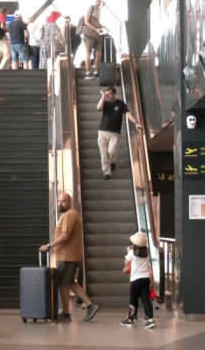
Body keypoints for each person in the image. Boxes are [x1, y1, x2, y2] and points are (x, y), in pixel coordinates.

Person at [39, 193, 99, 323]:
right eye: (59, 201)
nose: (60, 203)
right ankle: (69, 312)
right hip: (66, 255)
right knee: (67, 282)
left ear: (70, 202)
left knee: (66, 283)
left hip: (68, 256)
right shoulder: (68, 215)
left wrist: (49, 246)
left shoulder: (70, 215)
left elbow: (65, 236)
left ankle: (87, 305)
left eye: (63, 201)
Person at [96, 86, 142, 180]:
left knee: (111, 151)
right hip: (102, 131)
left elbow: (128, 113)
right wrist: (103, 96)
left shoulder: (120, 104)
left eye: (109, 94)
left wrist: (136, 123)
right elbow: (98, 108)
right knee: (103, 153)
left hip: (114, 133)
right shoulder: (105, 102)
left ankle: (112, 161)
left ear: (114, 94)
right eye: (106, 94)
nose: (107, 96)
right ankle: (107, 173)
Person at [120, 232, 156, 329]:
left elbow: (126, 263)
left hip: (136, 279)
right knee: (145, 299)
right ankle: (150, 320)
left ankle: (130, 318)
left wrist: (128, 251)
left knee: (133, 299)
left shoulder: (132, 252)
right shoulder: (147, 252)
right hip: (145, 278)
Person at [82, 0, 106, 79]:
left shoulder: (98, 10)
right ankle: (88, 72)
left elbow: (96, 22)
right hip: (89, 34)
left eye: (99, 1)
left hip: (97, 34)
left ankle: (96, 71)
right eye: (97, 0)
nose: (98, 2)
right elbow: (86, 21)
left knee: (99, 53)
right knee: (88, 52)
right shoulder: (91, 7)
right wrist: (95, 29)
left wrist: (103, 27)